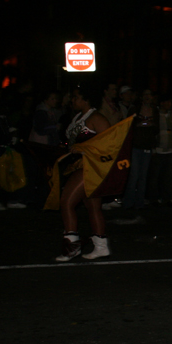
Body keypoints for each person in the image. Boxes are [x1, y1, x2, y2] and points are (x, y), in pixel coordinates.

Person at [56, 85, 112, 262]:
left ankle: (71, 247)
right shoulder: (78, 117)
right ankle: (101, 247)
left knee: (66, 202)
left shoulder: (96, 118)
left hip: (90, 167)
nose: (73, 101)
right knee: (92, 206)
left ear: (86, 99)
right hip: (77, 165)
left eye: (76, 97)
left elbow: (110, 144)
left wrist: (85, 151)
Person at [122, 89, 157, 210]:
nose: (147, 97)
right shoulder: (135, 109)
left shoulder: (155, 111)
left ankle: (139, 203)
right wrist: (137, 125)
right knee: (134, 175)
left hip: (147, 146)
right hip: (135, 145)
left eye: (150, 95)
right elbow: (127, 125)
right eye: (145, 94)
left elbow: (157, 128)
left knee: (143, 176)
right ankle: (128, 202)